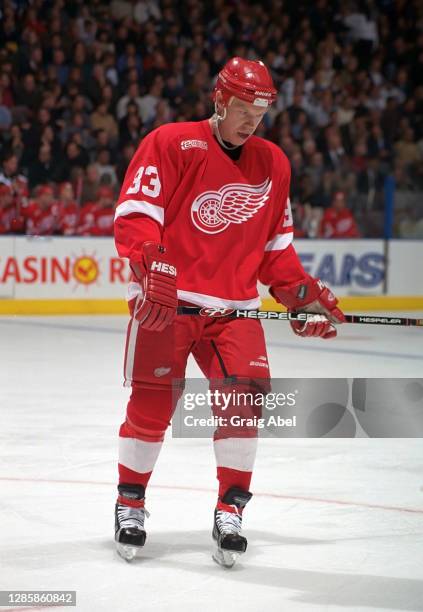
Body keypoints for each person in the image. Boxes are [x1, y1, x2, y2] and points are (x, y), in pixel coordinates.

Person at [113, 57, 345, 566]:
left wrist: (300, 295)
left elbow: (275, 252)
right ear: (220, 100)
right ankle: (130, 502)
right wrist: (150, 264)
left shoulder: (274, 163)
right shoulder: (171, 142)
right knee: (152, 409)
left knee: (243, 411)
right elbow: (136, 216)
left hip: (236, 311)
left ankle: (230, 508)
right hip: (169, 306)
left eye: (260, 114)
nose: (251, 122)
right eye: (243, 110)